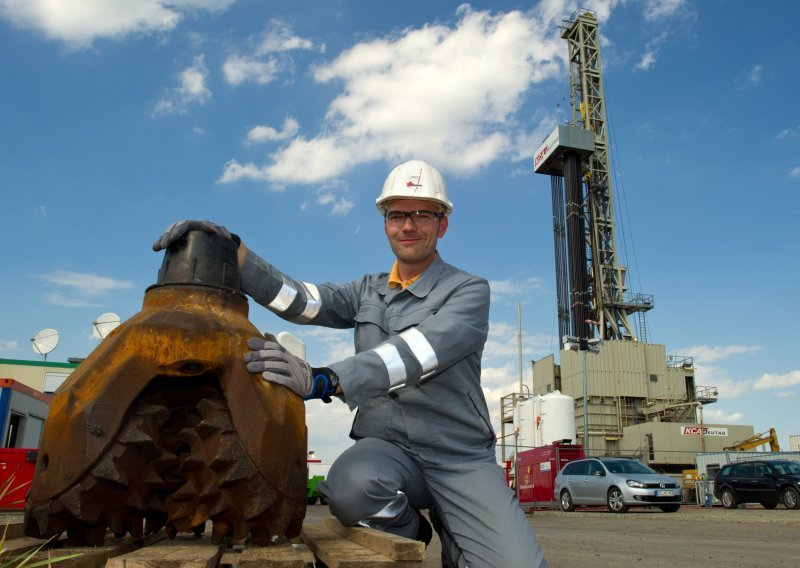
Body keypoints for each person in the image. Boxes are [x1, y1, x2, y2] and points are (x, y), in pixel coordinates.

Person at [153, 159, 548, 568]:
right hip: (389, 450)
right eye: (397, 214)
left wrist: (324, 379)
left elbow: (417, 353)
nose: (408, 225)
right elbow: (302, 301)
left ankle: (460, 530)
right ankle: (411, 532)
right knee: (349, 488)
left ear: (442, 224)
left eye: (422, 214)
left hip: (458, 457)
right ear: (385, 223)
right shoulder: (366, 292)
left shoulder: (468, 291)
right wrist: (233, 253)